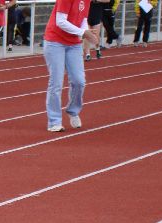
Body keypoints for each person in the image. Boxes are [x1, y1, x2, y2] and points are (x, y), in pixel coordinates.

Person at [43, 0, 99, 132]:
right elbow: (60, 21)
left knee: (79, 81)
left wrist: (86, 32)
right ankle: (54, 121)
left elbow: (83, 19)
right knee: (56, 82)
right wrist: (83, 32)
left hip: (74, 44)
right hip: (55, 41)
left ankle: (73, 111)